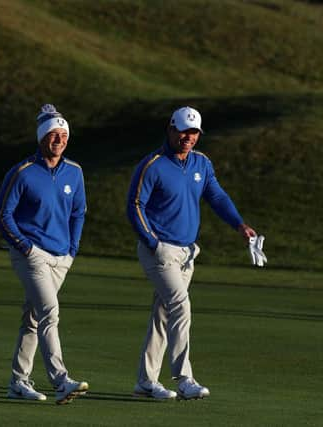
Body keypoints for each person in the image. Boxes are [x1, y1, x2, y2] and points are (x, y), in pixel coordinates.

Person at [126, 106, 259, 400]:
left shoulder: (201, 164)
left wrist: (239, 225)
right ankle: (184, 378)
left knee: (163, 314)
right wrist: (153, 242)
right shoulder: (153, 164)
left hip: (187, 253)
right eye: (184, 131)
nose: (188, 137)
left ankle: (145, 382)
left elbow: (217, 196)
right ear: (170, 129)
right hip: (159, 251)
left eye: (194, 132)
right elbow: (134, 206)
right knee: (180, 306)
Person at [0, 104, 89, 405]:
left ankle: (18, 382)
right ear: (41, 138)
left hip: (61, 257)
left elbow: (79, 212)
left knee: (33, 318)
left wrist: (72, 249)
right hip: (31, 254)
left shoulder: (74, 172)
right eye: (53, 135)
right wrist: (25, 246)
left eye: (63, 135)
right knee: (50, 312)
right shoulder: (22, 172)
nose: (59, 140)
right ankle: (61, 380)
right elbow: (2, 215)